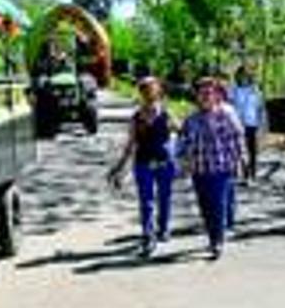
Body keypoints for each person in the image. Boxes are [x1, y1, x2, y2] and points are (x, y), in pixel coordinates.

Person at [177, 77, 246, 260]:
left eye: (209, 93)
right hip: (199, 170)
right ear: (197, 96)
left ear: (216, 94)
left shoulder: (227, 113)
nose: (206, 96)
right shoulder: (191, 119)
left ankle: (217, 241)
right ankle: (212, 235)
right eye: (202, 93)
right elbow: (182, 144)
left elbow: (237, 138)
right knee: (205, 206)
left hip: (221, 168)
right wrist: (183, 162)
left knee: (218, 204)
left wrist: (240, 161)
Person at [109, 77, 177, 258]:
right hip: (143, 164)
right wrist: (119, 168)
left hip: (165, 163)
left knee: (164, 198)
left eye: (151, 89)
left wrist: (184, 154)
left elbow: (183, 133)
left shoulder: (167, 114)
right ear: (141, 93)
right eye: (144, 90)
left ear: (158, 92)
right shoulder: (136, 119)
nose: (148, 93)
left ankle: (163, 228)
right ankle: (148, 235)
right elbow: (130, 145)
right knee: (146, 202)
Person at [230, 66, 266, 180]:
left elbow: (260, 107)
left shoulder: (255, 90)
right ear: (237, 76)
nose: (243, 77)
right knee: (238, 148)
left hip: (252, 123)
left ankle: (252, 173)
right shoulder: (234, 90)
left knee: (252, 149)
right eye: (241, 75)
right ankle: (240, 172)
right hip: (237, 123)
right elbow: (230, 105)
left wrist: (262, 124)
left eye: (246, 75)